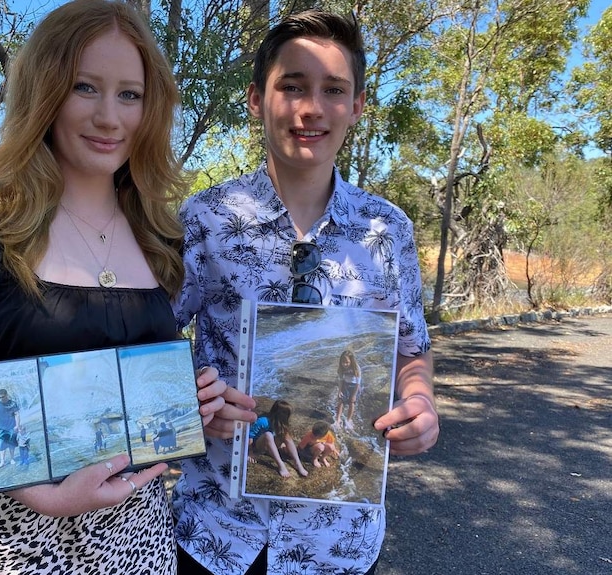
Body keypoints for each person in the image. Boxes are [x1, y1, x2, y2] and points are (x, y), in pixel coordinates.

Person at [0, 1, 228, 573]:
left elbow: (133, 393)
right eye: (85, 87)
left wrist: (187, 403)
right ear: (44, 94)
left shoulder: (159, 235)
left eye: (130, 94)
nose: (110, 117)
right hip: (16, 540)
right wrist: (38, 490)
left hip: (143, 539)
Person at [172, 9, 439, 575]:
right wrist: (190, 405)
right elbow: (151, 344)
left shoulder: (387, 229)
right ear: (255, 99)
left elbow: (411, 350)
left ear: (357, 106)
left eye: (333, 90)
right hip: (214, 530)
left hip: (338, 543)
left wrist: (421, 402)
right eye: (291, 86)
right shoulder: (205, 219)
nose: (311, 107)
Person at [247, 399, 308, 479]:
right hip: (259, 446)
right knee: (268, 435)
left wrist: (282, 444)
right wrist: (250, 452)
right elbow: (250, 436)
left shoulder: (281, 424)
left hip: (270, 445)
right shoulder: (263, 421)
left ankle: (297, 463)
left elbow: (283, 437)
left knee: (286, 435)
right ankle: (281, 465)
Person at [0, 388, 20, 467]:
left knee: (11, 444)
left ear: (6, 395)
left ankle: (12, 459)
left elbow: (17, 414)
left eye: (3, 397)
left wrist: (17, 425)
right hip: (2, 428)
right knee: (1, 445)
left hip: (11, 427)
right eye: (0, 397)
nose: (1, 398)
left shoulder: (13, 404)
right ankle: (2, 461)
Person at [334, 350, 362, 430]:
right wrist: (340, 390)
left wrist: (354, 395)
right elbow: (340, 380)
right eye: (343, 362)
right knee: (341, 400)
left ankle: (348, 420)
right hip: (345, 384)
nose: (344, 364)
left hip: (354, 386)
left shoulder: (356, 368)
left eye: (347, 362)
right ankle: (337, 419)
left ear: (351, 361)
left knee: (351, 402)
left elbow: (358, 383)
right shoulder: (341, 368)